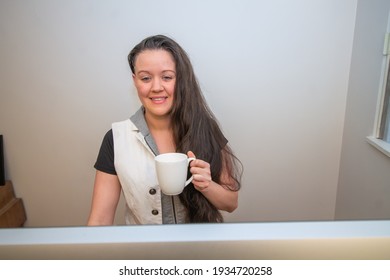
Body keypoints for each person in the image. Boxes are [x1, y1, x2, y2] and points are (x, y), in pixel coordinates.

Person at [87, 34, 242, 225]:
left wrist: (206, 185)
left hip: (200, 252)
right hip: (143, 253)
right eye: (145, 78)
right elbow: (100, 220)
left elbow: (231, 203)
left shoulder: (205, 128)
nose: (156, 87)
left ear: (181, 79)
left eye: (167, 77)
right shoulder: (116, 139)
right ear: (135, 81)